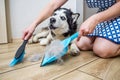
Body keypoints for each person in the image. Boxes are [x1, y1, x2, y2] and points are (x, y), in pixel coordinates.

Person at [22, 0, 120, 58]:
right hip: (104, 14)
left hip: (117, 13)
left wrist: (95, 19)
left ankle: (108, 44)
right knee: (82, 44)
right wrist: (33, 24)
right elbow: (53, 5)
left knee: (102, 49)